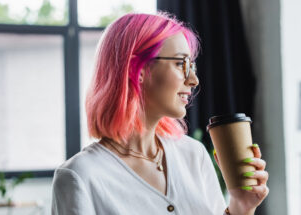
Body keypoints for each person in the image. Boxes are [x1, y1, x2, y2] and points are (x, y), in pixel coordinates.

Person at [51, 12, 269, 215]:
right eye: (180, 63)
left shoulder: (193, 155)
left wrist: (241, 206)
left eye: (191, 66)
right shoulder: (79, 176)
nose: (194, 80)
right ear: (138, 70)